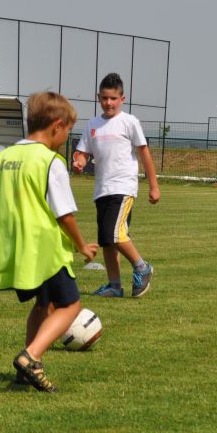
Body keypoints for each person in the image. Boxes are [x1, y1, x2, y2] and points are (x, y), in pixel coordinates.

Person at [0, 92, 98, 391]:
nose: (66, 138)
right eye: (67, 131)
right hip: (45, 249)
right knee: (71, 305)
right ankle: (31, 356)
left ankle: (24, 370)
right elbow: (64, 214)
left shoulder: (4, 157)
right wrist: (81, 245)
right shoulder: (50, 161)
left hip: (16, 250)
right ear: (56, 125)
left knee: (43, 306)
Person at [72, 73, 160, 298]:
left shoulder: (129, 122)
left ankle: (142, 267)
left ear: (122, 98)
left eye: (113, 98)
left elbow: (144, 154)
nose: (108, 103)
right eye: (104, 98)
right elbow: (82, 153)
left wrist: (153, 185)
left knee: (114, 232)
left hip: (123, 188)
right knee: (107, 240)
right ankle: (114, 285)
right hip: (102, 189)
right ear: (98, 98)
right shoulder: (92, 124)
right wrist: (79, 163)